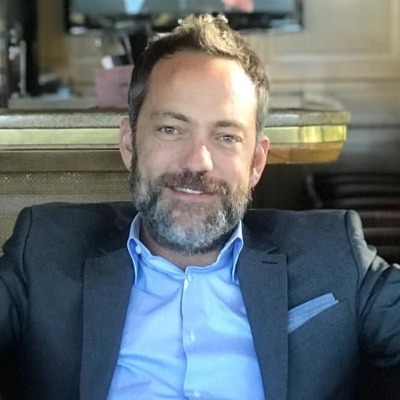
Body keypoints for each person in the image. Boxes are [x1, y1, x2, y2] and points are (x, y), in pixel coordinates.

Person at [0, 13, 400, 400]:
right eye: (171, 129)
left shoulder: (334, 256)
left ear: (256, 162)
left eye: (226, 137)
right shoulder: (44, 252)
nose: (198, 162)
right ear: (129, 144)